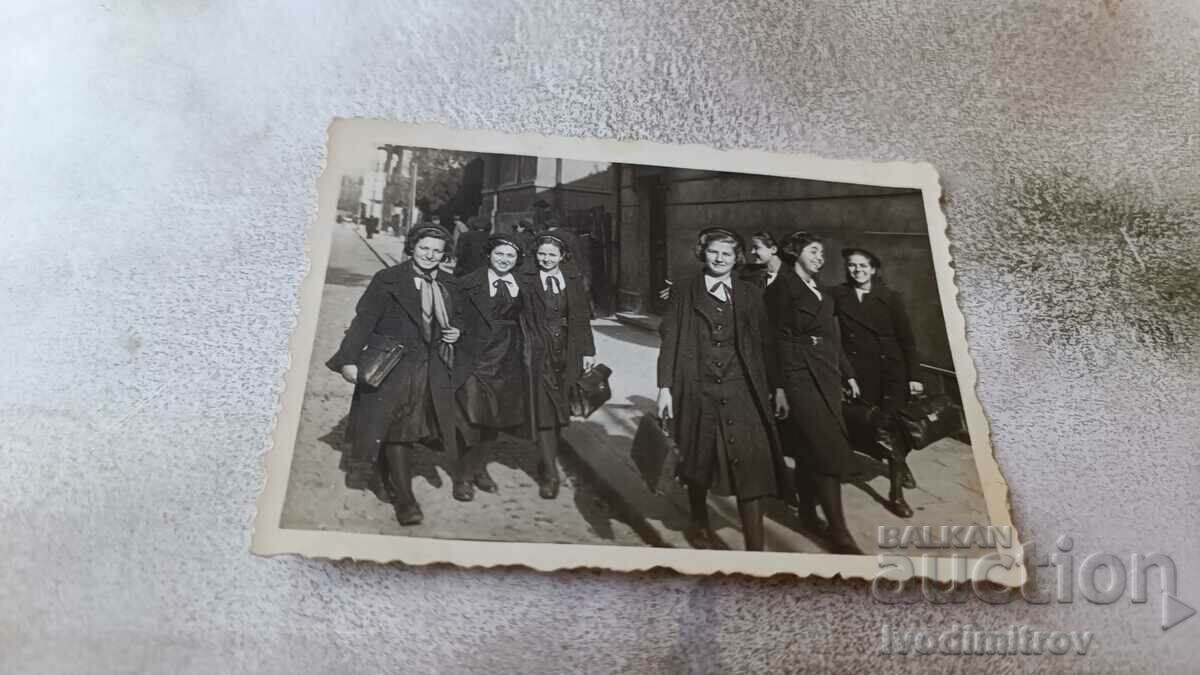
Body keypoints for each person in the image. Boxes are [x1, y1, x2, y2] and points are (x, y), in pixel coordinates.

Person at [655, 228, 790, 551]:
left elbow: (765, 344)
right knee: (699, 459)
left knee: (751, 464)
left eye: (727, 254)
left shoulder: (749, 294)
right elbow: (670, 339)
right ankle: (699, 519)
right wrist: (664, 388)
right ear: (703, 253)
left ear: (736, 259)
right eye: (714, 252)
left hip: (742, 388)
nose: (719, 258)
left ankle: (755, 547)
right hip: (697, 387)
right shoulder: (684, 290)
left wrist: (778, 386)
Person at [325, 226, 463, 526]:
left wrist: (456, 331)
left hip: (431, 369)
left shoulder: (450, 285)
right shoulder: (387, 280)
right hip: (392, 366)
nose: (430, 255)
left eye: (437, 251)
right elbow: (364, 321)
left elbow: (461, 318)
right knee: (399, 430)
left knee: (414, 429)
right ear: (411, 248)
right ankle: (405, 499)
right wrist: (348, 359)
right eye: (424, 248)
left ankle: (386, 473)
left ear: (444, 254)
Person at [764, 231, 865, 554]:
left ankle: (807, 513)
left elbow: (831, 337)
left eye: (822, 252)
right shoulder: (782, 288)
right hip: (797, 374)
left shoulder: (820, 292)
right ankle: (839, 532)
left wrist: (847, 374)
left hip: (826, 372)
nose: (820, 257)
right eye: (813, 251)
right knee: (826, 448)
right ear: (796, 254)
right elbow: (771, 340)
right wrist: (777, 386)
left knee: (811, 448)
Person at [832, 248, 923, 518]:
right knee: (874, 428)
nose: (856, 270)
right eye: (851, 266)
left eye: (862, 266)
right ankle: (898, 462)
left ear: (873, 270)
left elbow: (907, 341)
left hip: (891, 374)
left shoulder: (891, 299)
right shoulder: (838, 296)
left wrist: (915, 376)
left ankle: (896, 495)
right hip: (860, 377)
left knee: (894, 429)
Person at [451, 235, 541, 501]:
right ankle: (463, 476)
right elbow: (454, 314)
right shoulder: (468, 283)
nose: (504, 260)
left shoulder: (524, 285)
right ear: (489, 254)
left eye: (510, 256)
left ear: (518, 260)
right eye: (500, 254)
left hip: (509, 358)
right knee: (471, 418)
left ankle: (479, 468)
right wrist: (455, 331)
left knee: (494, 419)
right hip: (475, 357)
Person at [522, 234, 597, 499]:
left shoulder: (573, 281)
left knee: (559, 410)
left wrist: (588, 351)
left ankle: (546, 457)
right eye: (542, 254)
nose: (546, 259)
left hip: (568, 352)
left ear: (562, 256)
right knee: (544, 409)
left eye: (552, 255)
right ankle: (551, 474)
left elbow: (582, 318)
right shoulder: (527, 280)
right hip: (538, 353)